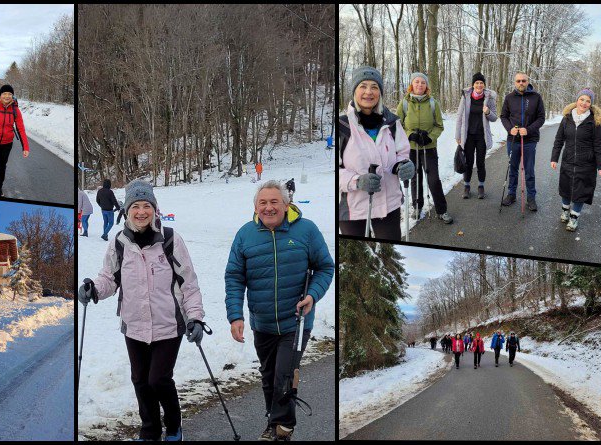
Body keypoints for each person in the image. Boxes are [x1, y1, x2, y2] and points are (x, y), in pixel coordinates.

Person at [78, 180, 204, 441]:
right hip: (134, 324)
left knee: (158, 379)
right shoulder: (119, 242)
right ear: (127, 209)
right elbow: (109, 278)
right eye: (136, 206)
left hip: (169, 324)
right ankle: (150, 431)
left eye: (147, 205)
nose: (141, 211)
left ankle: (173, 427)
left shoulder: (170, 240)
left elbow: (188, 283)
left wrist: (196, 319)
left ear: (155, 209)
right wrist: (94, 289)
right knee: (140, 380)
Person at [225, 180, 334, 441]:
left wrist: (312, 295)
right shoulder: (245, 235)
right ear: (255, 206)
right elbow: (234, 276)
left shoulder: (306, 231)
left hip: (295, 322)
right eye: (263, 202)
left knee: (284, 377)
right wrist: (235, 316)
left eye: (274, 202)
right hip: (261, 322)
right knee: (269, 376)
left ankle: (283, 429)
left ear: (286, 205)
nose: (269, 207)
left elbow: (325, 268)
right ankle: (272, 422)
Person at [339, 66, 415, 240]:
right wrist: (356, 181)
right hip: (353, 209)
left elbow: (402, 154)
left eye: (374, 87)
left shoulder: (392, 123)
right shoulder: (343, 127)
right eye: (363, 86)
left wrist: (403, 165)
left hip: (389, 205)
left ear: (380, 92)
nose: (369, 92)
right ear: (354, 91)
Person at [397, 72, 452, 224]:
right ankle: (417, 206)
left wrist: (429, 137)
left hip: (429, 147)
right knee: (415, 178)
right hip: (411, 148)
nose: (420, 85)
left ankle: (442, 210)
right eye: (417, 82)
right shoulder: (405, 103)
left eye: (423, 82)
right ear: (412, 85)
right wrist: (409, 134)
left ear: (426, 85)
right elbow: (397, 124)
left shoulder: (433, 103)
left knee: (433, 180)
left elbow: (439, 126)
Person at [551, 88, 601, 231]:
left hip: (586, 164)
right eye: (582, 99)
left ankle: (574, 218)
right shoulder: (567, 118)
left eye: (588, 101)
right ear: (577, 100)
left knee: (581, 191)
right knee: (565, 188)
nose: (584, 103)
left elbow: (599, 145)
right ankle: (565, 210)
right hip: (568, 160)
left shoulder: (594, 122)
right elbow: (559, 140)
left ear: (591, 104)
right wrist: (554, 158)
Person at [500, 72, 546, 211]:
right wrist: (510, 129)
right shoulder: (509, 98)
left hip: (530, 140)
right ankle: (511, 194)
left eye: (524, 81)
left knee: (529, 169)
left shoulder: (536, 97)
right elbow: (503, 116)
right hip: (513, 139)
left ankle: (531, 197)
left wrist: (529, 129)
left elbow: (541, 118)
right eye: (518, 81)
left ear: (528, 82)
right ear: (515, 82)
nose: (521, 83)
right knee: (513, 168)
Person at [455, 72, 499, 199]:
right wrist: (457, 134)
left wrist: (488, 112)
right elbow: (459, 116)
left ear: (484, 85)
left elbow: (494, 117)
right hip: (468, 136)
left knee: (480, 162)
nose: (479, 85)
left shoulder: (489, 98)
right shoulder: (466, 96)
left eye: (481, 83)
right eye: (477, 83)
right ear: (473, 85)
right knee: (468, 162)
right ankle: (467, 186)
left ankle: (481, 186)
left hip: (481, 136)